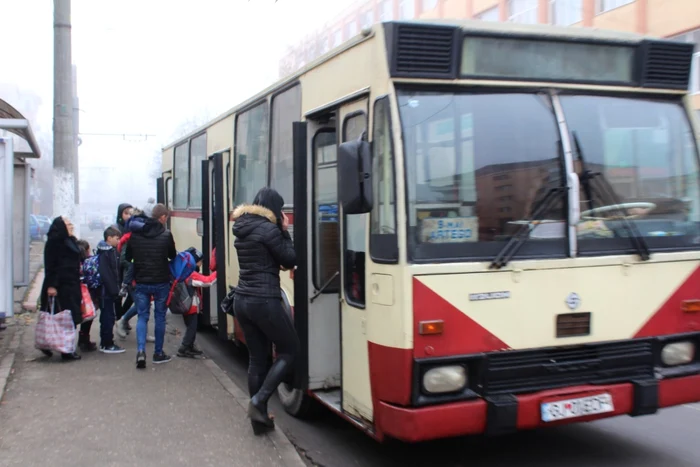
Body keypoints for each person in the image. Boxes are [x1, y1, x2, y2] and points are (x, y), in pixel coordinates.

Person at [232, 187, 298, 434]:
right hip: (264, 301)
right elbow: (290, 258)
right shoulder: (270, 229)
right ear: (274, 209)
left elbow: (265, 259)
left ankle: (258, 421)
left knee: (257, 359)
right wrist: (284, 230)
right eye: (280, 209)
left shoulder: (242, 227)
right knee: (290, 350)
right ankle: (258, 402)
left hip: (242, 300)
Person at [125, 203, 177, 368]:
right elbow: (172, 256)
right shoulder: (166, 235)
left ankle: (141, 351)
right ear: (162, 218)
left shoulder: (135, 235)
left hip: (141, 282)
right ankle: (158, 353)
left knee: (142, 316)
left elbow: (128, 257)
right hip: (161, 282)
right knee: (160, 317)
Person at [38, 216, 84, 360]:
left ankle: (61, 346)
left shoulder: (70, 240)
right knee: (59, 318)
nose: (71, 226)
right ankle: (65, 350)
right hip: (59, 286)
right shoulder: (54, 242)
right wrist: (52, 285)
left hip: (71, 284)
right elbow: (50, 264)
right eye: (68, 224)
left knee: (67, 318)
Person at [177, 247, 216, 358]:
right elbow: (207, 282)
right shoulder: (191, 274)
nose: (201, 263)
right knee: (192, 327)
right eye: (200, 261)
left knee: (191, 326)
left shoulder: (183, 271)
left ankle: (190, 346)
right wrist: (219, 272)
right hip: (190, 307)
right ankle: (184, 348)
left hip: (186, 305)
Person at [96, 226, 126, 353]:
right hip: (106, 292)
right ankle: (107, 343)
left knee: (108, 316)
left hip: (108, 291)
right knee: (107, 317)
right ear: (109, 238)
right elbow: (107, 274)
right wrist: (115, 290)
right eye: (116, 238)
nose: (118, 241)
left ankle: (107, 341)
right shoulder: (106, 253)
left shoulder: (109, 251)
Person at [76, 239, 98, 352]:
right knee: (88, 317)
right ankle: (84, 340)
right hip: (88, 293)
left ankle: (80, 340)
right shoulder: (89, 262)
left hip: (75, 292)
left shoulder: (74, 262)